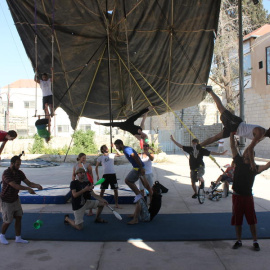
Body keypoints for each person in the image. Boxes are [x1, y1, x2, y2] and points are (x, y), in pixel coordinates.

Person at [200, 86, 270, 170]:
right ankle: (210, 90)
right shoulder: (260, 132)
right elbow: (251, 148)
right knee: (221, 108)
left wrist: (242, 158)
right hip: (235, 124)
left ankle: (197, 147)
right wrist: (252, 163)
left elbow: (249, 148)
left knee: (216, 138)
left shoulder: (262, 137)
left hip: (234, 130)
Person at [229, 132, 270, 251]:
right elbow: (232, 146)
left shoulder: (254, 168)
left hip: (247, 198)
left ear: (252, 156)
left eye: (249, 152)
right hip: (236, 197)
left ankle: (255, 241)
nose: (247, 153)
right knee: (238, 220)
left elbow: (267, 166)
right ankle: (239, 240)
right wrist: (231, 133)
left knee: (251, 220)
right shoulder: (238, 161)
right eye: (246, 152)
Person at [0, 154, 43, 245]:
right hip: (6, 200)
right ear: (12, 164)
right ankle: (2, 236)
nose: (19, 166)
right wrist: (28, 189)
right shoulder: (6, 173)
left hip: (15, 199)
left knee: (19, 217)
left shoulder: (20, 173)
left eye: (20, 164)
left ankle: (18, 237)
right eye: (17, 164)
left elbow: (29, 183)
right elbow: (15, 185)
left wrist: (37, 186)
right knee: (8, 221)